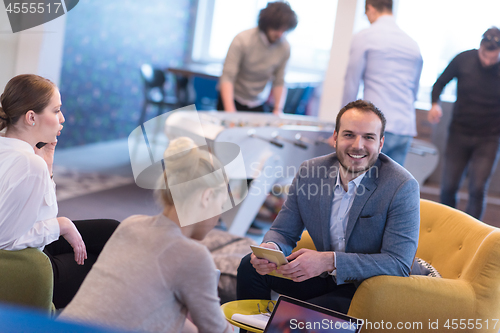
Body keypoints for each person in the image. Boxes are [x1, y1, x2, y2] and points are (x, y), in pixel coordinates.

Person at [237, 100, 420, 315]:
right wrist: (271, 248)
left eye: (368, 137)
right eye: (349, 135)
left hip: (369, 287)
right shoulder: (310, 172)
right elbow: (283, 231)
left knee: (301, 316)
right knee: (249, 268)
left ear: (380, 144)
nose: (358, 145)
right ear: (335, 138)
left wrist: (328, 261)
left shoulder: (401, 186)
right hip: (324, 277)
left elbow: (397, 263)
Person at [59, 137, 233, 333]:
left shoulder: (131, 225)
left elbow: (149, 309)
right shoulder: (193, 256)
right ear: (207, 196)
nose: (219, 216)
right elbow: (216, 330)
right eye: (222, 204)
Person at [0, 74, 119, 309]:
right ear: (31, 117)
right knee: (113, 267)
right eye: (56, 111)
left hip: (27, 244)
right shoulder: (27, 164)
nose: (62, 118)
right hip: (22, 263)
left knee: (114, 232)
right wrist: (61, 225)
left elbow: (37, 214)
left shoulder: (14, 151)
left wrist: (47, 167)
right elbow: (6, 238)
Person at [427, 27, 500, 220]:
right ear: (480, 47)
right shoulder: (463, 59)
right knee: (449, 186)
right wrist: (435, 104)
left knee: (477, 188)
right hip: (459, 133)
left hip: (489, 138)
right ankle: (446, 228)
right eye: (485, 55)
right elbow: (440, 83)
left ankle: (473, 237)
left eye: (493, 58)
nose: (487, 61)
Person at [341, 0, 423, 166]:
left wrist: (341, 128)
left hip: (375, 127)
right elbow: (414, 91)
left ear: (370, 8)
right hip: (404, 128)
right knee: (392, 188)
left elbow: (351, 84)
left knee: (362, 186)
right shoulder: (412, 44)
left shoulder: (365, 36)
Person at [217, 1, 297, 114]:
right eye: (276, 28)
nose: (280, 34)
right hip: (233, 99)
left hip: (258, 102)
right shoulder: (242, 39)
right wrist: (230, 112)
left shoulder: (285, 47)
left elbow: (279, 81)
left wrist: (278, 109)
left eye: (284, 30)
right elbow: (227, 77)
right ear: (266, 24)